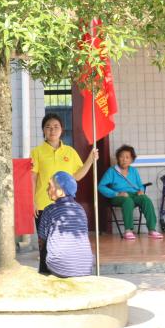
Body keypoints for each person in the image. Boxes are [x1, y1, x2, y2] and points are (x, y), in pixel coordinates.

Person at [31, 113, 98, 272]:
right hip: (43, 204)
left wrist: (90, 159)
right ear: (43, 130)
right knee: (44, 243)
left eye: (56, 127)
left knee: (63, 242)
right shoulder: (37, 152)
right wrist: (31, 201)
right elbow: (32, 178)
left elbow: (77, 176)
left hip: (65, 206)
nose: (52, 130)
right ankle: (44, 273)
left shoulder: (70, 152)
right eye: (48, 127)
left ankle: (63, 271)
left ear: (62, 130)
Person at [98, 144, 163, 240]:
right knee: (127, 201)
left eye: (127, 157)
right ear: (118, 158)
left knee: (145, 199)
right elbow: (101, 186)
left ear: (131, 160)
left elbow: (140, 185)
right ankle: (128, 231)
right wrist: (116, 193)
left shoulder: (133, 171)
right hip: (118, 196)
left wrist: (141, 190)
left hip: (134, 194)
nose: (124, 159)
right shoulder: (112, 171)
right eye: (121, 157)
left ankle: (152, 230)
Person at [38, 172, 94, 277]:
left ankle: (44, 275)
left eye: (50, 186)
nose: (47, 189)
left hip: (60, 268)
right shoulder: (81, 209)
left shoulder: (50, 210)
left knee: (44, 244)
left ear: (60, 192)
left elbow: (42, 239)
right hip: (85, 267)